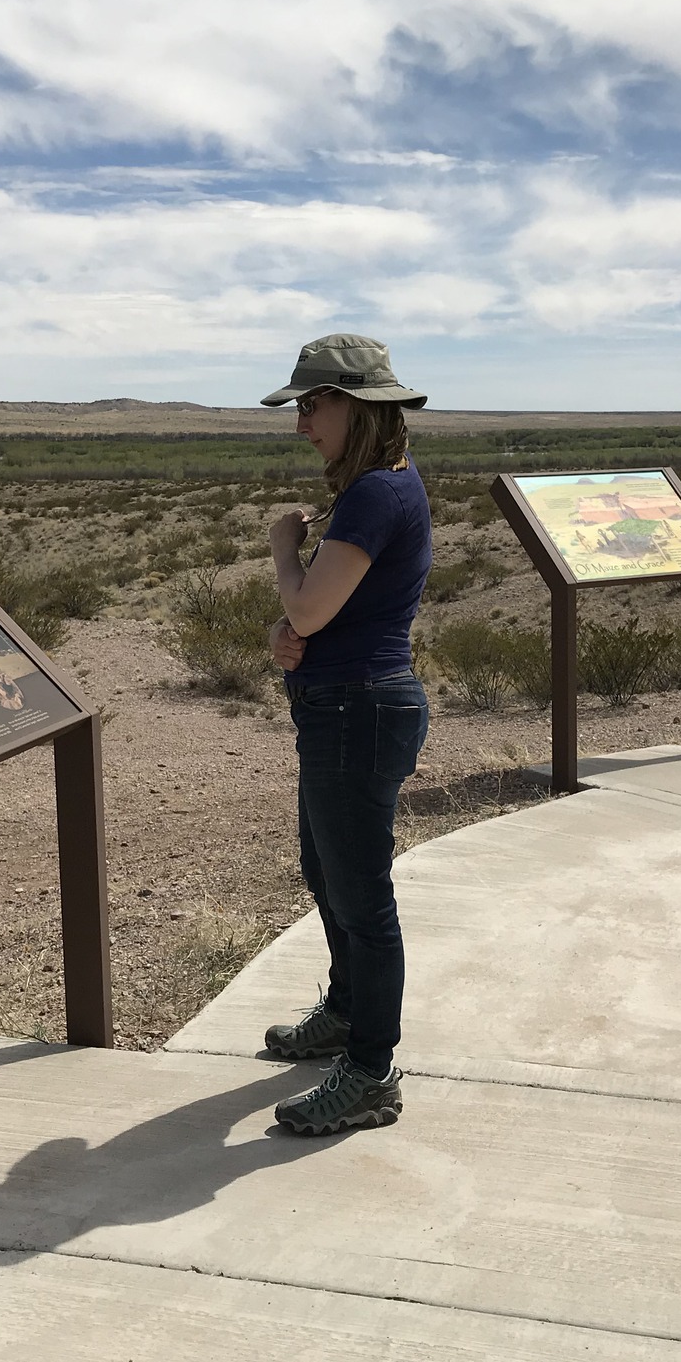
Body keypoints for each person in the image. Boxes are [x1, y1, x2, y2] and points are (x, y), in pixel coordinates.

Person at [258, 333, 432, 1137]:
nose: (301, 424)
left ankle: (369, 1070)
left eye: (310, 405)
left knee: (362, 898)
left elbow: (308, 605)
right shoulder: (378, 486)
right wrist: (293, 639)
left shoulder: (371, 497)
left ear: (353, 405)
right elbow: (324, 615)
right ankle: (348, 1008)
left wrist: (283, 555)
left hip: (356, 713)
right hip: (346, 705)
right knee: (326, 872)